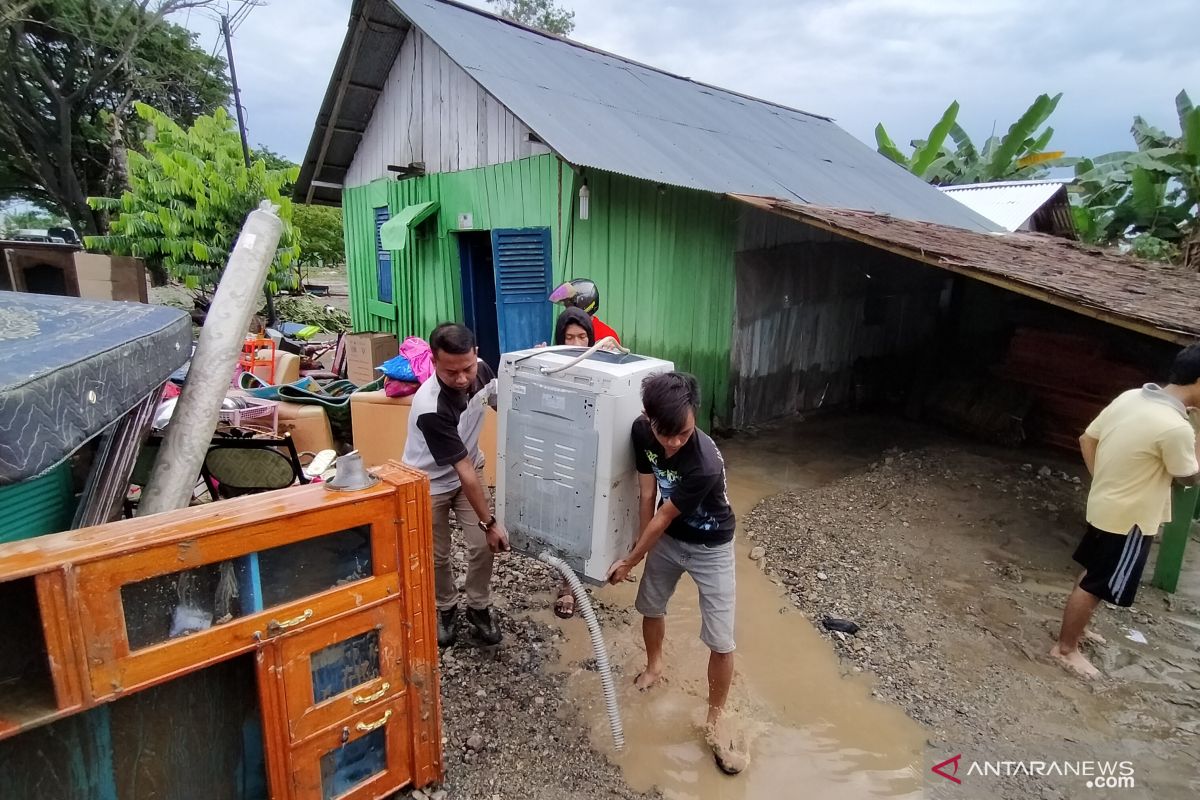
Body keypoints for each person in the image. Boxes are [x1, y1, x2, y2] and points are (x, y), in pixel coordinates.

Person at [607, 372, 748, 775]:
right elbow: (648, 494)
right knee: (651, 606)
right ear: (647, 417)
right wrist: (634, 547)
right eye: (665, 433)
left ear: (695, 417)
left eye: (683, 434)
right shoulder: (640, 432)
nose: (672, 443)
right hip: (666, 540)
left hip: (712, 544)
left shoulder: (703, 462)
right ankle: (655, 666)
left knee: (721, 640)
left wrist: (631, 560)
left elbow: (666, 513)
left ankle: (715, 717)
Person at [1051, 344, 1200, 678]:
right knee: (1098, 584)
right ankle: (1065, 648)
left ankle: (1078, 632)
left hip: (1107, 503)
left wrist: (1103, 479)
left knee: (1094, 571)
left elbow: (1086, 439)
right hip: (1132, 519)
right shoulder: (1176, 428)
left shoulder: (1132, 397)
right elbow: (1189, 477)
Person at [403, 322, 511, 647]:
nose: (462, 378)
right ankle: (445, 607)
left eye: (466, 367)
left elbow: (501, 404)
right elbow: (460, 468)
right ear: (434, 363)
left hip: (469, 466)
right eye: (451, 372)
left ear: (475, 355)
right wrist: (491, 521)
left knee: (482, 545)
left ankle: (478, 607)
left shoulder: (481, 370)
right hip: (428, 482)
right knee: (437, 554)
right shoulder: (430, 407)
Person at [549, 278, 620, 344]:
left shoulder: (606, 335)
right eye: (569, 337)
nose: (567, 312)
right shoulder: (566, 329)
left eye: (568, 307)